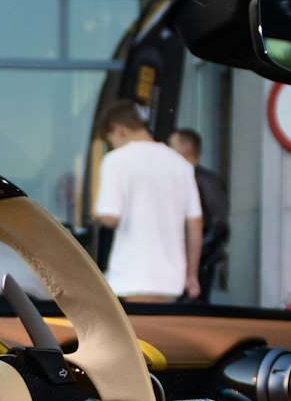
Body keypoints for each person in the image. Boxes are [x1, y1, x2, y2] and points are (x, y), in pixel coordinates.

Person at [93, 100, 202, 302]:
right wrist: (192, 275)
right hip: (171, 282)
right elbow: (195, 223)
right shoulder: (180, 164)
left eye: (111, 140)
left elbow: (110, 217)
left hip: (131, 278)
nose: (112, 146)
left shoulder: (115, 161)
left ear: (119, 130)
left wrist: (96, 214)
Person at [169, 127, 230, 301]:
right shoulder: (179, 178)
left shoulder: (206, 180)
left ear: (186, 147)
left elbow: (220, 224)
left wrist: (197, 256)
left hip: (199, 263)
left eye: (171, 145)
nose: (168, 150)